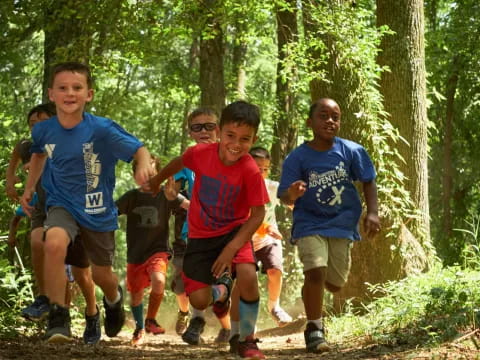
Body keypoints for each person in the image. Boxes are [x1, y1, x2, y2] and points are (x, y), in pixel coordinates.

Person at [20, 61, 152, 343]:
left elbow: (138, 148)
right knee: (52, 241)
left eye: (77, 88)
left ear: (88, 94)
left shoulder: (101, 129)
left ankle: (114, 299)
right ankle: (58, 317)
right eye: (63, 88)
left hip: (97, 211)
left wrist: (142, 165)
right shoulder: (43, 130)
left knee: (102, 274)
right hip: (61, 203)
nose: (70, 93)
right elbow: (39, 155)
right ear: (51, 93)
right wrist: (30, 187)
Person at [150, 100, 268, 359]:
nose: (236, 144)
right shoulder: (201, 154)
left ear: (254, 139)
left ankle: (245, 339)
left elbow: (258, 213)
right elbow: (179, 162)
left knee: (248, 276)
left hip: (234, 232)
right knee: (199, 301)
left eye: (245, 139)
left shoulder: (249, 169)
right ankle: (221, 290)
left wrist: (232, 248)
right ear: (220, 132)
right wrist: (157, 180)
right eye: (230, 135)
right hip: (201, 237)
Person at [277, 98, 380, 353]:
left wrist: (373, 213)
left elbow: (368, 180)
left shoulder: (352, 151)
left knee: (335, 283)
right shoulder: (297, 157)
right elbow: (284, 196)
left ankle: (315, 291)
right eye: (323, 116)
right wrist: (292, 192)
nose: (330, 121)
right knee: (315, 272)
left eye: (335, 116)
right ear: (310, 122)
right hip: (309, 222)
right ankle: (314, 328)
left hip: (342, 224)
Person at [172, 108, 231, 345]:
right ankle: (196, 321)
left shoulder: (230, 155)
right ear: (190, 133)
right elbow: (171, 191)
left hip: (226, 230)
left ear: (219, 130)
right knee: (194, 279)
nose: (204, 131)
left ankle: (231, 329)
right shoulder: (188, 159)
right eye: (197, 127)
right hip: (195, 230)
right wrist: (176, 197)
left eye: (209, 126)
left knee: (220, 287)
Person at [228, 146, 292, 351]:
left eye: (265, 169)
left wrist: (299, 203)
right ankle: (237, 332)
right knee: (243, 285)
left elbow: (290, 200)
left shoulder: (272, 187)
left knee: (275, 270)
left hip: (267, 240)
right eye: (257, 168)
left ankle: (274, 306)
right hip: (244, 241)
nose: (261, 173)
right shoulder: (236, 187)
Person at [116, 156, 184, 346]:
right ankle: (139, 328)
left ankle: (150, 319)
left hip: (158, 250)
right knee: (136, 294)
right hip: (136, 254)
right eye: (143, 173)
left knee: (159, 280)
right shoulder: (131, 197)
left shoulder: (166, 195)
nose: (148, 178)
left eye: (153, 174)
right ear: (134, 175)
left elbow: (189, 206)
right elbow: (111, 211)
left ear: (160, 175)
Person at [5, 103, 54, 320]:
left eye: (42, 123)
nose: (37, 127)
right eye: (33, 124)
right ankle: (43, 299)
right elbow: (18, 151)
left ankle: (92, 308)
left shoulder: (65, 142)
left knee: (79, 268)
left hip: (67, 205)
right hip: (39, 204)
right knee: (36, 243)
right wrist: (10, 178)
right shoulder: (28, 146)